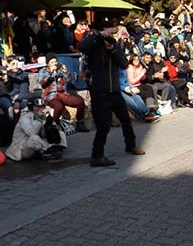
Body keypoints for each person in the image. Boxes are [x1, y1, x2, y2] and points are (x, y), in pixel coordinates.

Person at [78, 18, 145, 167]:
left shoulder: (114, 45)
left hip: (114, 91)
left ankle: (131, 145)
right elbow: (81, 46)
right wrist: (98, 36)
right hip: (99, 92)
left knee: (125, 120)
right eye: (108, 29)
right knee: (104, 125)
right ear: (102, 30)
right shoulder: (94, 44)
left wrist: (112, 50)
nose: (112, 32)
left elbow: (124, 63)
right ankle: (97, 156)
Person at [38, 52, 89, 132]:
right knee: (59, 106)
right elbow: (42, 83)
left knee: (80, 102)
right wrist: (51, 73)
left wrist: (65, 72)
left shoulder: (59, 70)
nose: (54, 64)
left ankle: (79, 122)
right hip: (50, 96)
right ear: (47, 63)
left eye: (55, 62)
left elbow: (67, 80)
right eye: (52, 62)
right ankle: (52, 125)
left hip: (62, 94)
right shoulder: (43, 71)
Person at [6, 96, 67, 162]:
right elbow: (32, 132)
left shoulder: (42, 116)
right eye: (37, 107)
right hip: (21, 149)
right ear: (31, 107)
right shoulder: (24, 118)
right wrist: (40, 119)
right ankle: (50, 150)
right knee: (34, 138)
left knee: (60, 133)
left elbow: (44, 133)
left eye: (42, 106)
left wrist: (50, 123)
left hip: (34, 146)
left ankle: (57, 148)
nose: (40, 108)